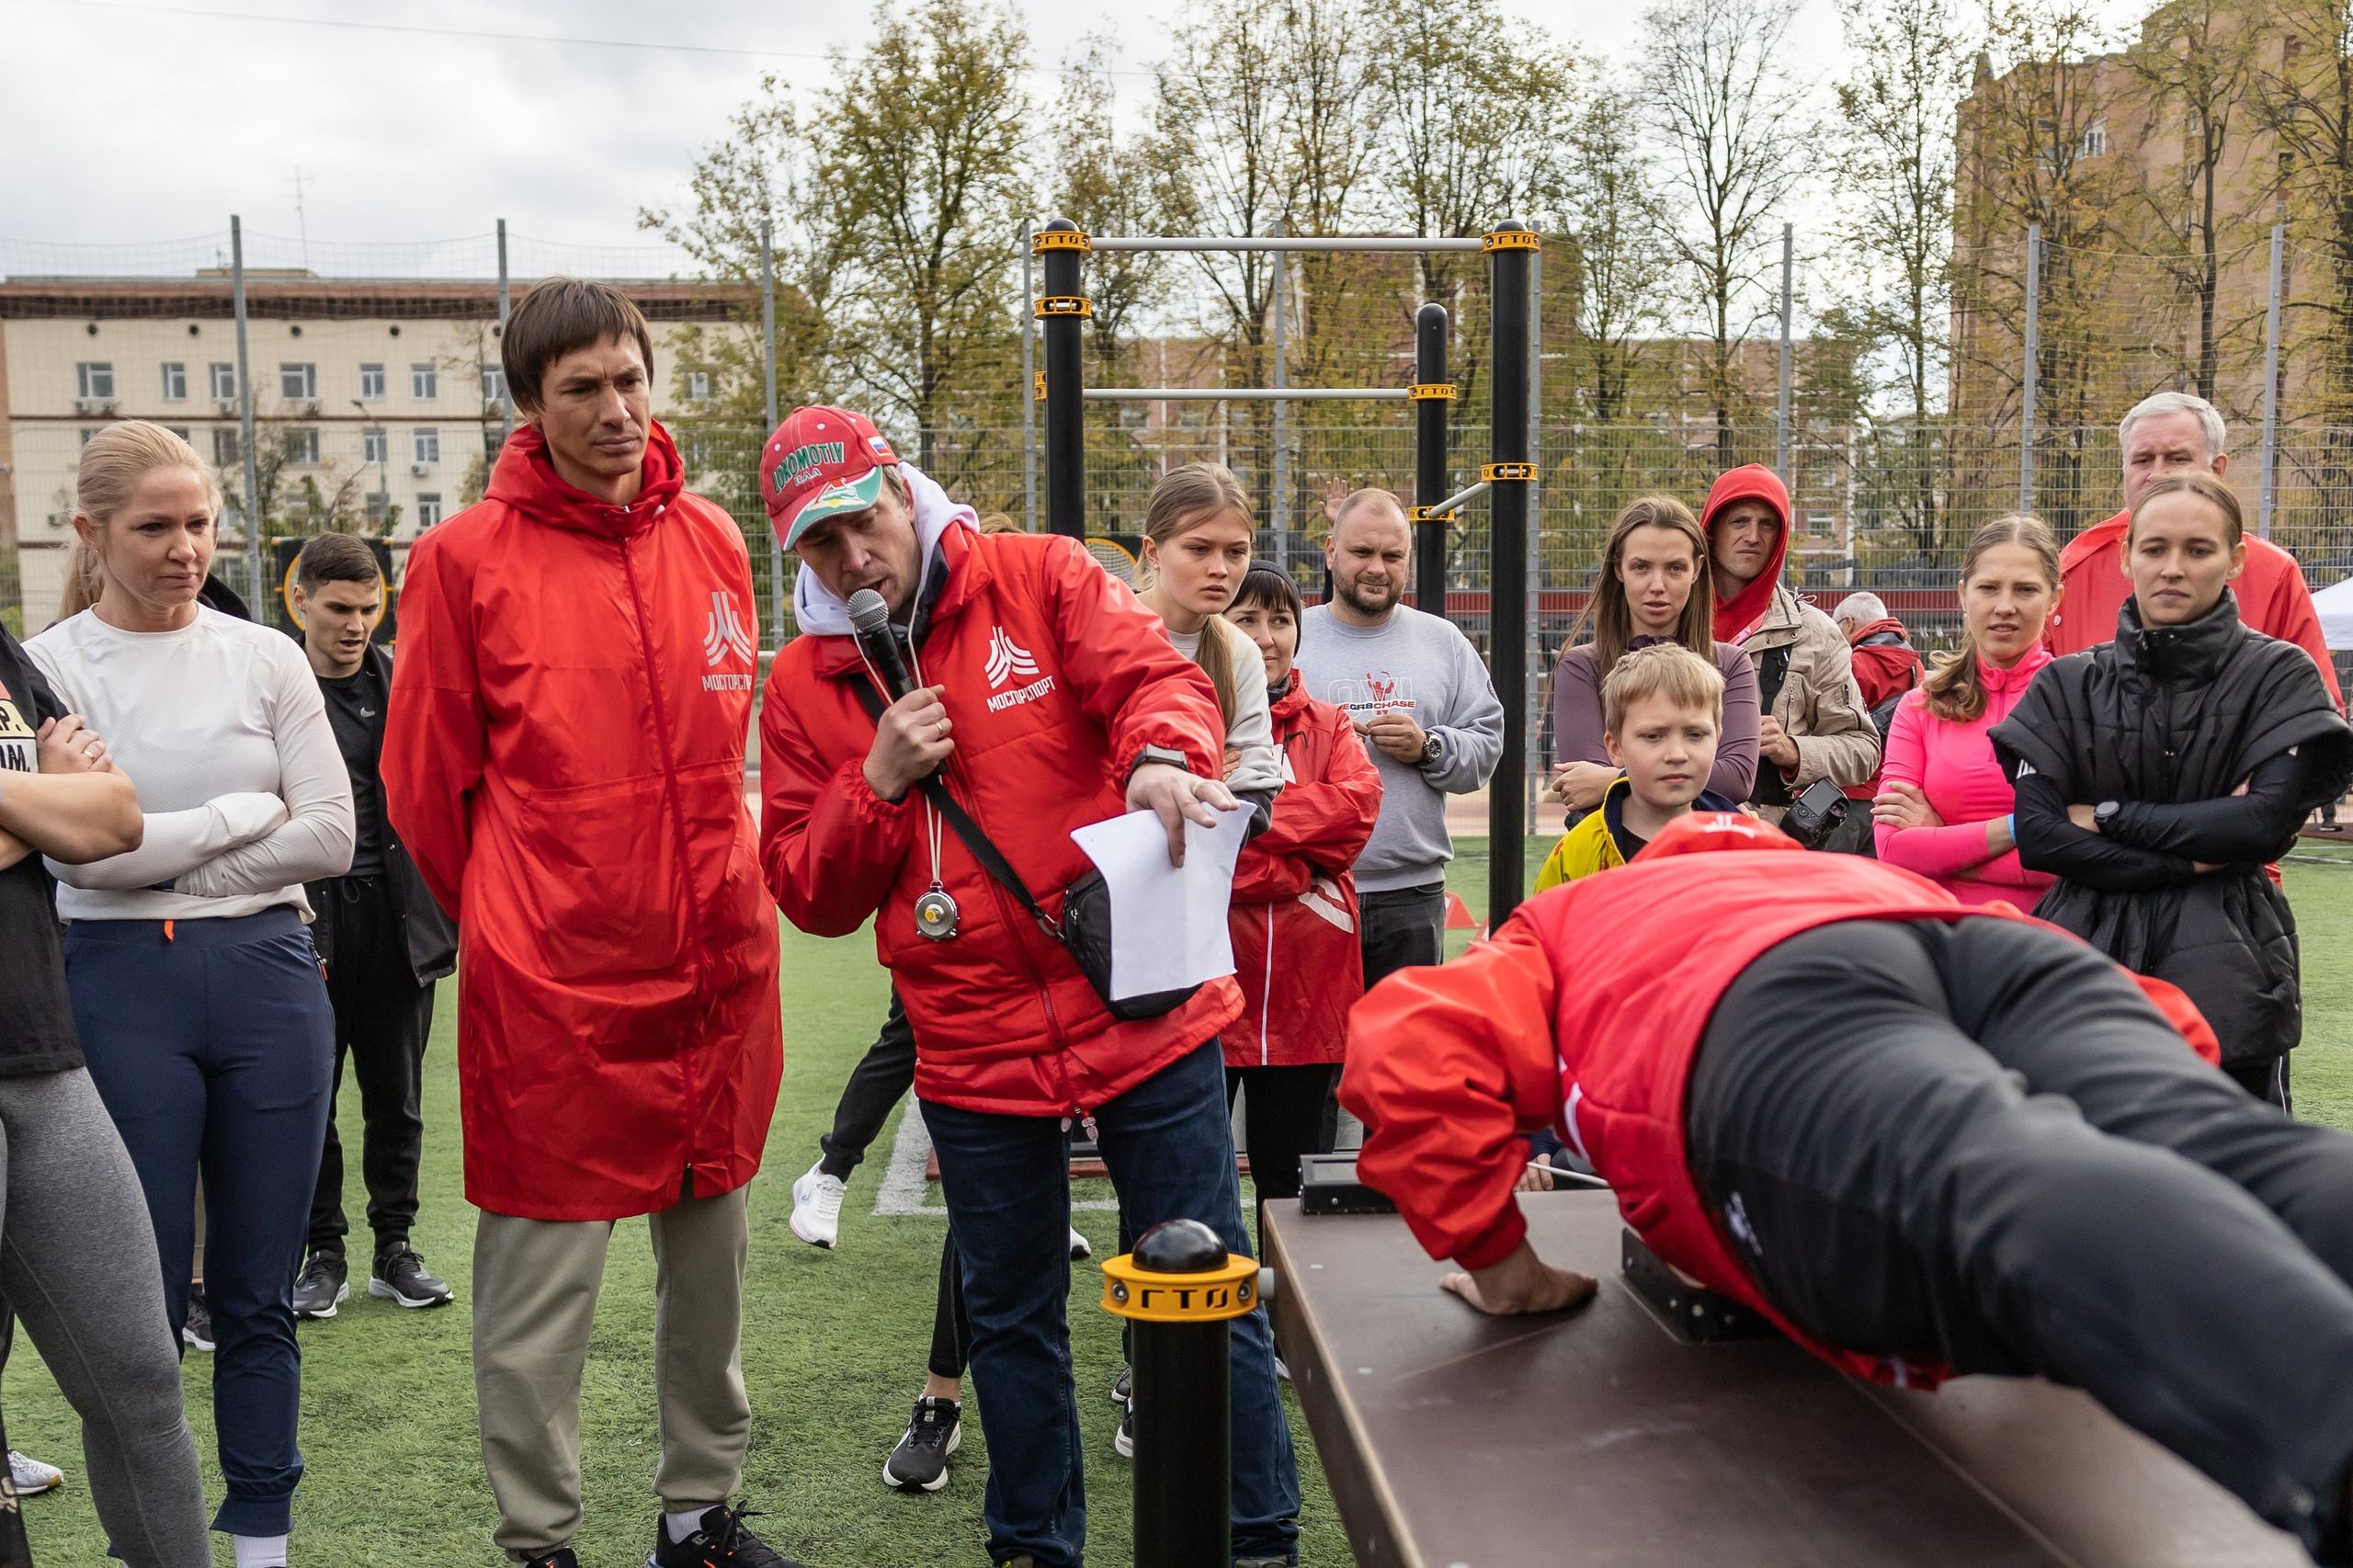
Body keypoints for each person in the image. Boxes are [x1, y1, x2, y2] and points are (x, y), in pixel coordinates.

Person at [1342, 812, 2353, 1564]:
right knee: (2218, 1141)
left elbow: (1414, 1041)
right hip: (1986, 945)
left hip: (1753, 999)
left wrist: (1500, 1261)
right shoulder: (1845, 869)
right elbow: (2166, 1024)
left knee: (1996, 1170)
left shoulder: (1571, 914)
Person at [758, 403, 1301, 1568]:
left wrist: (1162, 756)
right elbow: (807, 889)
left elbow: (1155, 679)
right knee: (1010, 1322)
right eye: (819, 543)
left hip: (1137, 999)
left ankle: (1257, 1540)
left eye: (862, 521)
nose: (853, 556)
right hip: (969, 1043)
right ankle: (1033, 1549)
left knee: (1211, 1290)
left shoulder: (1039, 574)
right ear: (795, 556)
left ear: (903, 492)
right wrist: (876, 780)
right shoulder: (801, 685)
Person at [382, 279, 791, 1568]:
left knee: (709, 1274)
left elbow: (731, 742)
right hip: (554, 986)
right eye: (580, 390)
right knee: (538, 1298)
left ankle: (696, 1517)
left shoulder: (717, 538)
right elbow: (422, 786)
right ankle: (541, 1540)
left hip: (715, 970)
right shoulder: (462, 562)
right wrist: (527, 909)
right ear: (527, 405)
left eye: (629, 379)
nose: (615, 411)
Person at [27, 421, 356, 1568]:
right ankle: (155, 1548)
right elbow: (80, 857)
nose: (184, 548)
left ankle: (263, 1539)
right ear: (91, 533)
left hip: (270, 981)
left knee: (260, 1296)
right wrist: (232, 819)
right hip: (115, 988)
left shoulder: (265, 655)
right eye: (155, 527)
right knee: (142, 1312)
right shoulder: (45, 665)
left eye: (200, 523)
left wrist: (173, 863)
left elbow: (330, 830)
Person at [1994, 472, 2353, 1108]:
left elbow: (2261, 826)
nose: (2172, 568)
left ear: (2235, 559)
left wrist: (2106, 815)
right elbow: (2042, 837)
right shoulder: (2067, 685)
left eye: (2198, 549)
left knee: (2232, 1170)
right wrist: (2195, 848)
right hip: (2083, 953)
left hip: (2230, 962)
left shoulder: (2278, 675)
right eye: (2155, 549)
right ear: (2128, 554)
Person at [0, 578, 211, 1567]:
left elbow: (112, 818)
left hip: (42, 1052)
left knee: (139, 1377)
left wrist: (54, 810)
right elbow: (67, 818)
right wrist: (45, 803)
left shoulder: (0, 653)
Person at [280, 533, 458, 1323]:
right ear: (302, 603)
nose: (356, 624)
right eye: (340, 608)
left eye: (369, 607)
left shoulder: (402, 685)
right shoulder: (273, 686)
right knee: (309, 1098)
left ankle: (396, 1248)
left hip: (394, 919)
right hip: (304, 920)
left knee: (397, 1094)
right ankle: (325, 1254)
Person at [1221, 564, 1381, 1230]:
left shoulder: (1332, 724)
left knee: (1291, 1186)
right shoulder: (1184, 720)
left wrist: (1253, 819)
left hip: (1308, 992)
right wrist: (1290, 871)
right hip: (1211, 992)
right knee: (1193, 1175)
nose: (1266, 637)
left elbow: (1356, 814)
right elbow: (1195, 843)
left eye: (1280, 620)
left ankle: (1288, 1332)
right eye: (1247, 619)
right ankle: (1198, 1336)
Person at [1302, 489, 1504, 986]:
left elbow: (1487, 747)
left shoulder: (1444, 642)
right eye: (1361, 552)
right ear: (1331, 553)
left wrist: (1428, 748)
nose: (1377, 568)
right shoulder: (1290, 638)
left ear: (1408, 562)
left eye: (1392, 556)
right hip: (1309, 888)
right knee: (1315, 1064)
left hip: (1411, 896)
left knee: (1404, 1056)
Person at [2046, 391, 2342, 710]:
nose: (2157, 474)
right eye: (2143, 460)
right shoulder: (2072, 572)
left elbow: (2316, 716)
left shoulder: (2273, 573)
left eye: (2177, 458)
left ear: (2216, 469)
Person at [1871, 517, 2063, 907]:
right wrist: (2019, 827)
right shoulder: (1920, 707)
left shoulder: (2080, 701)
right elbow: (1894, 849)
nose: (2004, 606)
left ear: (2055, 598)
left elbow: (2081, 853)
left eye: (2025, 590)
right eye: (1988, 588)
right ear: (1963, 595)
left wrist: (1944, 846)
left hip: (2055, 935)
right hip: (1942, 933)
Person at [1549, 496, 1758, 815]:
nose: (1657, 585)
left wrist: (1611, 779)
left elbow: (1737, 779)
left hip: (1702, 854)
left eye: (1675, 568)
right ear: (1619, 568)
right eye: (1641, 567)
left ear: (1697, 569)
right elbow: (1581, 788)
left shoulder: (1730, 663)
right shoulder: (1583, 666)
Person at [1702, 465, 1879, 827]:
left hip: (1764, 839)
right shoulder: (1667, 616)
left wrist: (1793, 750)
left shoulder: (1816, 633)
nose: (1753, 535)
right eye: (1739, 521)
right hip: (1667, 830)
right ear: (1712, 528)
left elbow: (1863, 749)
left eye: (1768, 524)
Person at [1536, 642, 1740, 889]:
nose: (1676, 754)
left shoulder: (1747, 847)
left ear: (1717, 738)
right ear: (1616, 748)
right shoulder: (1577, 854)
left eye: (1695, 735)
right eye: (1653, 736)